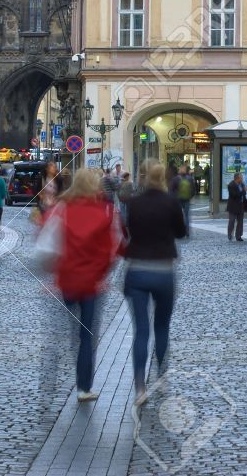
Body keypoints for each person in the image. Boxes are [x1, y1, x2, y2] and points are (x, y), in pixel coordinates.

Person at [51, 168, 121, 402]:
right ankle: (83, 387)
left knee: (72, 331)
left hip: (67, 281)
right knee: (87, 336)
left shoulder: (62, 208)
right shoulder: (104, 211)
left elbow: (51, 245)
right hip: (92, 284)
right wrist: (100, 273)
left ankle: (55, 380)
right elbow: (112, 250)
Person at [121, 162, 187, 406]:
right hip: (163, 271)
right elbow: (181, 233)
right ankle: (161, 376)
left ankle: (140, 387)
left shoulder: (134, 203)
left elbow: (129, 230)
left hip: (136, 270)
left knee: (141, 331)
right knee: (162, 327)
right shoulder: (171, 203)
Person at [226, 172, 247, 241]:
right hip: (233, 206)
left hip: (241, 205)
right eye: (241, 178)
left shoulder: (242, 184)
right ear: (237, 178)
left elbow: (244, 193)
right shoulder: (231, 185)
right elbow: (235, 195)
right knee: (232, 221)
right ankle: (230, 234)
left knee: (240, 221)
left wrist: (244, 191)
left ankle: (238, 236)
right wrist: (243, 191)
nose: (242, 179)